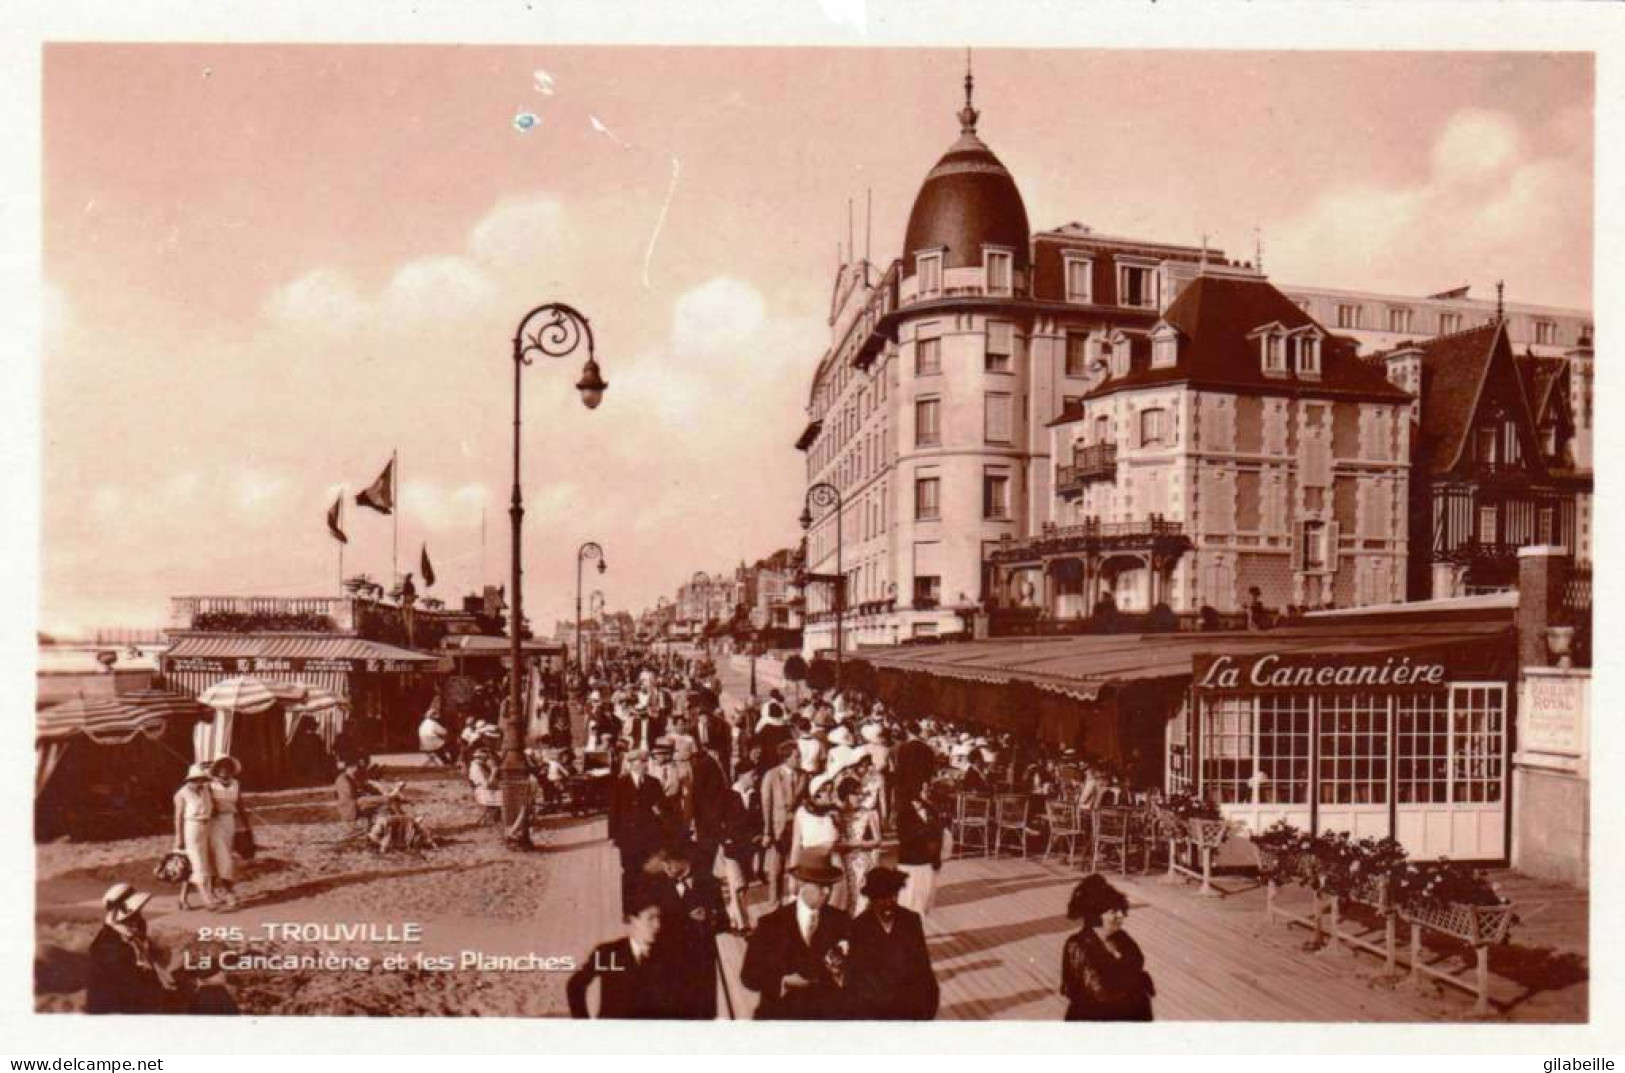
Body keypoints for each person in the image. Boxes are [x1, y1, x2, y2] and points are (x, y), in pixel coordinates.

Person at [739, 854, 853, 1020]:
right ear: (801, 884)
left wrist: (841, 973)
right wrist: (783, 980)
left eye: (829, 885)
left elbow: (857, 967)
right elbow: (749, 977)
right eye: (821, 885)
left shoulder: (841, 920)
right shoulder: (770, 924)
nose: (827, 891)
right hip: (782, 1015)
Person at [644, 841, 727, 1019]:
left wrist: (709, 916)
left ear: (684, 861)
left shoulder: (708, 882)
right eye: (663, 864)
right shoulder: (658, 887)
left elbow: (724, 921)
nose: (666, 868)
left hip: (703, 961)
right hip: (674, 962)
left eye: (669, 864)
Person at [846, 866, 939, 1020]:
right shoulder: (859, 927)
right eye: (882, 898)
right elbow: (855, 976)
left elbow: (923, 967)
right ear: (872, 899)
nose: (889, 902)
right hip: (873, 1008)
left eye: (893, 896)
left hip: (909, 1007)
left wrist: (928, 1008)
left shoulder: (911, 920)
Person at [1059, 874, 1155, 1021]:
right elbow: (1101, 992)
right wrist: (1138, 983)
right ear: (1096, 915)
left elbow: (1138, 962)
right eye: (1113, 912)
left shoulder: (1122, 937)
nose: (1121, 916)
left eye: (1121, 911)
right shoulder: (1077, 945)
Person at [566, 883, 668, 1019]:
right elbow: (575, 985)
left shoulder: (667, 955)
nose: (658, 925)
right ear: (632, 921)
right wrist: (583, 1025)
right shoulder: (608, 953)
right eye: (650, 919)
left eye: (659, 918)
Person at [87, 883, 172, 1014]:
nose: (139, 920)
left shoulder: (128, 932)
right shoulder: (110, 948)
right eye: (133, 916)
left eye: (139, 913)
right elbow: (133, 987)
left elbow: (145, 955)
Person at [608, 749, 666, 914]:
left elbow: (662, 808)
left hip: (649, 836)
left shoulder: (653, 783)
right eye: (641, 762)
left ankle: (647, 909)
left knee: (649, 872)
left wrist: (660, 817)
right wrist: (612, 835)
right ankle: (630, 910)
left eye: (646, 762)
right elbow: (613, 811)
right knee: (629, 873)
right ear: (632, 764)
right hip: (628, 837)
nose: (645, 765)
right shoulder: (620, 784)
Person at [759, 741, 807, 907]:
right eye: (797, 756)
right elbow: (766, 805)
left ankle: (795, 900)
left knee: (796, 865)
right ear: (786, 758)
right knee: (776, 868)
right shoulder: (771, 776)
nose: (800, 759)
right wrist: (767, 831)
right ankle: (775, 902)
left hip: (797, 826)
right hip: (778, 827)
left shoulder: (804, 775)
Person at [720, 769, 764, 933]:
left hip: (749, 848)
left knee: (743, 885)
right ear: (741, 776)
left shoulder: (755, 796)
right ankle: (742, 925)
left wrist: (758, 836)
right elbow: (717, 819)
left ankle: (731, 918)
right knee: (737, 885)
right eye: (752, 775)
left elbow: (758, 820)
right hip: (731, 848)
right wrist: (725, 839)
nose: (756, 777)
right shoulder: (727, 795)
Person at [833, 770, 882, 916]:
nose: (860, 797)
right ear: (846, 795)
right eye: (855, 794)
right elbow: (836, 842)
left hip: (864, 860)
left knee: (863, 898)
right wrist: (846, 845)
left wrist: (859, 844)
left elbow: (878, 840)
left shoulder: (869, 813)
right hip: (845, 861)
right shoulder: (838, 815)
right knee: (848, 898)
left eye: (860, 793)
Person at [896, 784, 946, 917]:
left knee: (924, 900)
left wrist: (937, 858)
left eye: (928, 789)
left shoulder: (932, 811)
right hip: (910, 863)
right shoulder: (904, 814)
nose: (927, 792)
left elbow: (939, 834)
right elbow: (904, 838)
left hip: (927, 862)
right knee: (908, 900)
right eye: (924, 790)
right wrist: (924, 831)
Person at [172, 764, 215, 910]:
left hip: (206, 827)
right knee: (197, 863)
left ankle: (182, 898)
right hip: (191, 827)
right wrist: (179, 837)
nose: (200, 782)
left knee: (196, 864)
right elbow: (178, 817)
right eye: (197, 779)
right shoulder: (182, 794)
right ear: (190, 779)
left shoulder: (205, 791)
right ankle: (206, 898)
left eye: (202, 779)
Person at [206, 757, 243, 907]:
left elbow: (240, 804)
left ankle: (213, 889)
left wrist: (246, 825)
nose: (224, 770)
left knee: (225, 854)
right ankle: (229, 891)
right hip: (214, 823)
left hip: (230, 821)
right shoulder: (210, 785)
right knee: (223, 857)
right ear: (216, 769)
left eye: (227, 766)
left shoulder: (235, 784)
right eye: (221, 767)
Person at [467, 748, 502, 825]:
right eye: (487, 759)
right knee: (507, 796)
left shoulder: (480, 766)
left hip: (487, 791)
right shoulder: (476, 768)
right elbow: (487, 785)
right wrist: (493, 771)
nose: (488, 761)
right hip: (483, 793)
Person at [418, 700, 454, 766]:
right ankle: (449, 761)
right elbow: (444, 732)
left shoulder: (423, 724)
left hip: (424, 744)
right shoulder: (433, 724)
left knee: (441, 746)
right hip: (433, 744)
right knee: (450, 744)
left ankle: (446, 761)